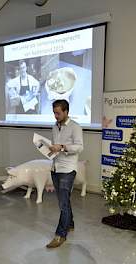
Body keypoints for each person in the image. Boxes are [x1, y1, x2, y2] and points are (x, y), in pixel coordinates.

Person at [46, 99, 83, 248]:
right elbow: (55, 147)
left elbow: (79, 147)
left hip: (67, 169)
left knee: (63, 203)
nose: (55, 115)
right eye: (54, 112)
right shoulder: (54, 127)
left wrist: (62, 147)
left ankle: (60, 235)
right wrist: (50, 149)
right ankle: (70, 223)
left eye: (58, 113)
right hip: (56, 167)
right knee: (64, 200)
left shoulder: (75, 127)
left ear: (66, 111)